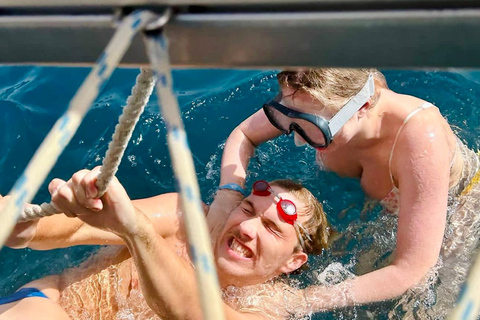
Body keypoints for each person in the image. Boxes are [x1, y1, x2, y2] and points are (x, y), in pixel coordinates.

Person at [217, 68, 480, 315]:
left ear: (361, 108)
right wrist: (228, 194)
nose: (297, 139)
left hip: (460, 208)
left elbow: (413, 271)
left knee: (415, 309)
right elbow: (244, 134)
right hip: (373, 204)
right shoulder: (310, 100)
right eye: (287, 118)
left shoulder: (421, 138)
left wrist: (300, 300)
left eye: (315, 129)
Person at [0, 167, 332, 320]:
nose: (246, 227)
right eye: (247, 209)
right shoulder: (185, 220)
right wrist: (26, 225)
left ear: (293, 262)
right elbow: (74, 229)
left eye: (272, 229)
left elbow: (198, 315)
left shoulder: (270, 306)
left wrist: (137, 232)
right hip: (47, 307)